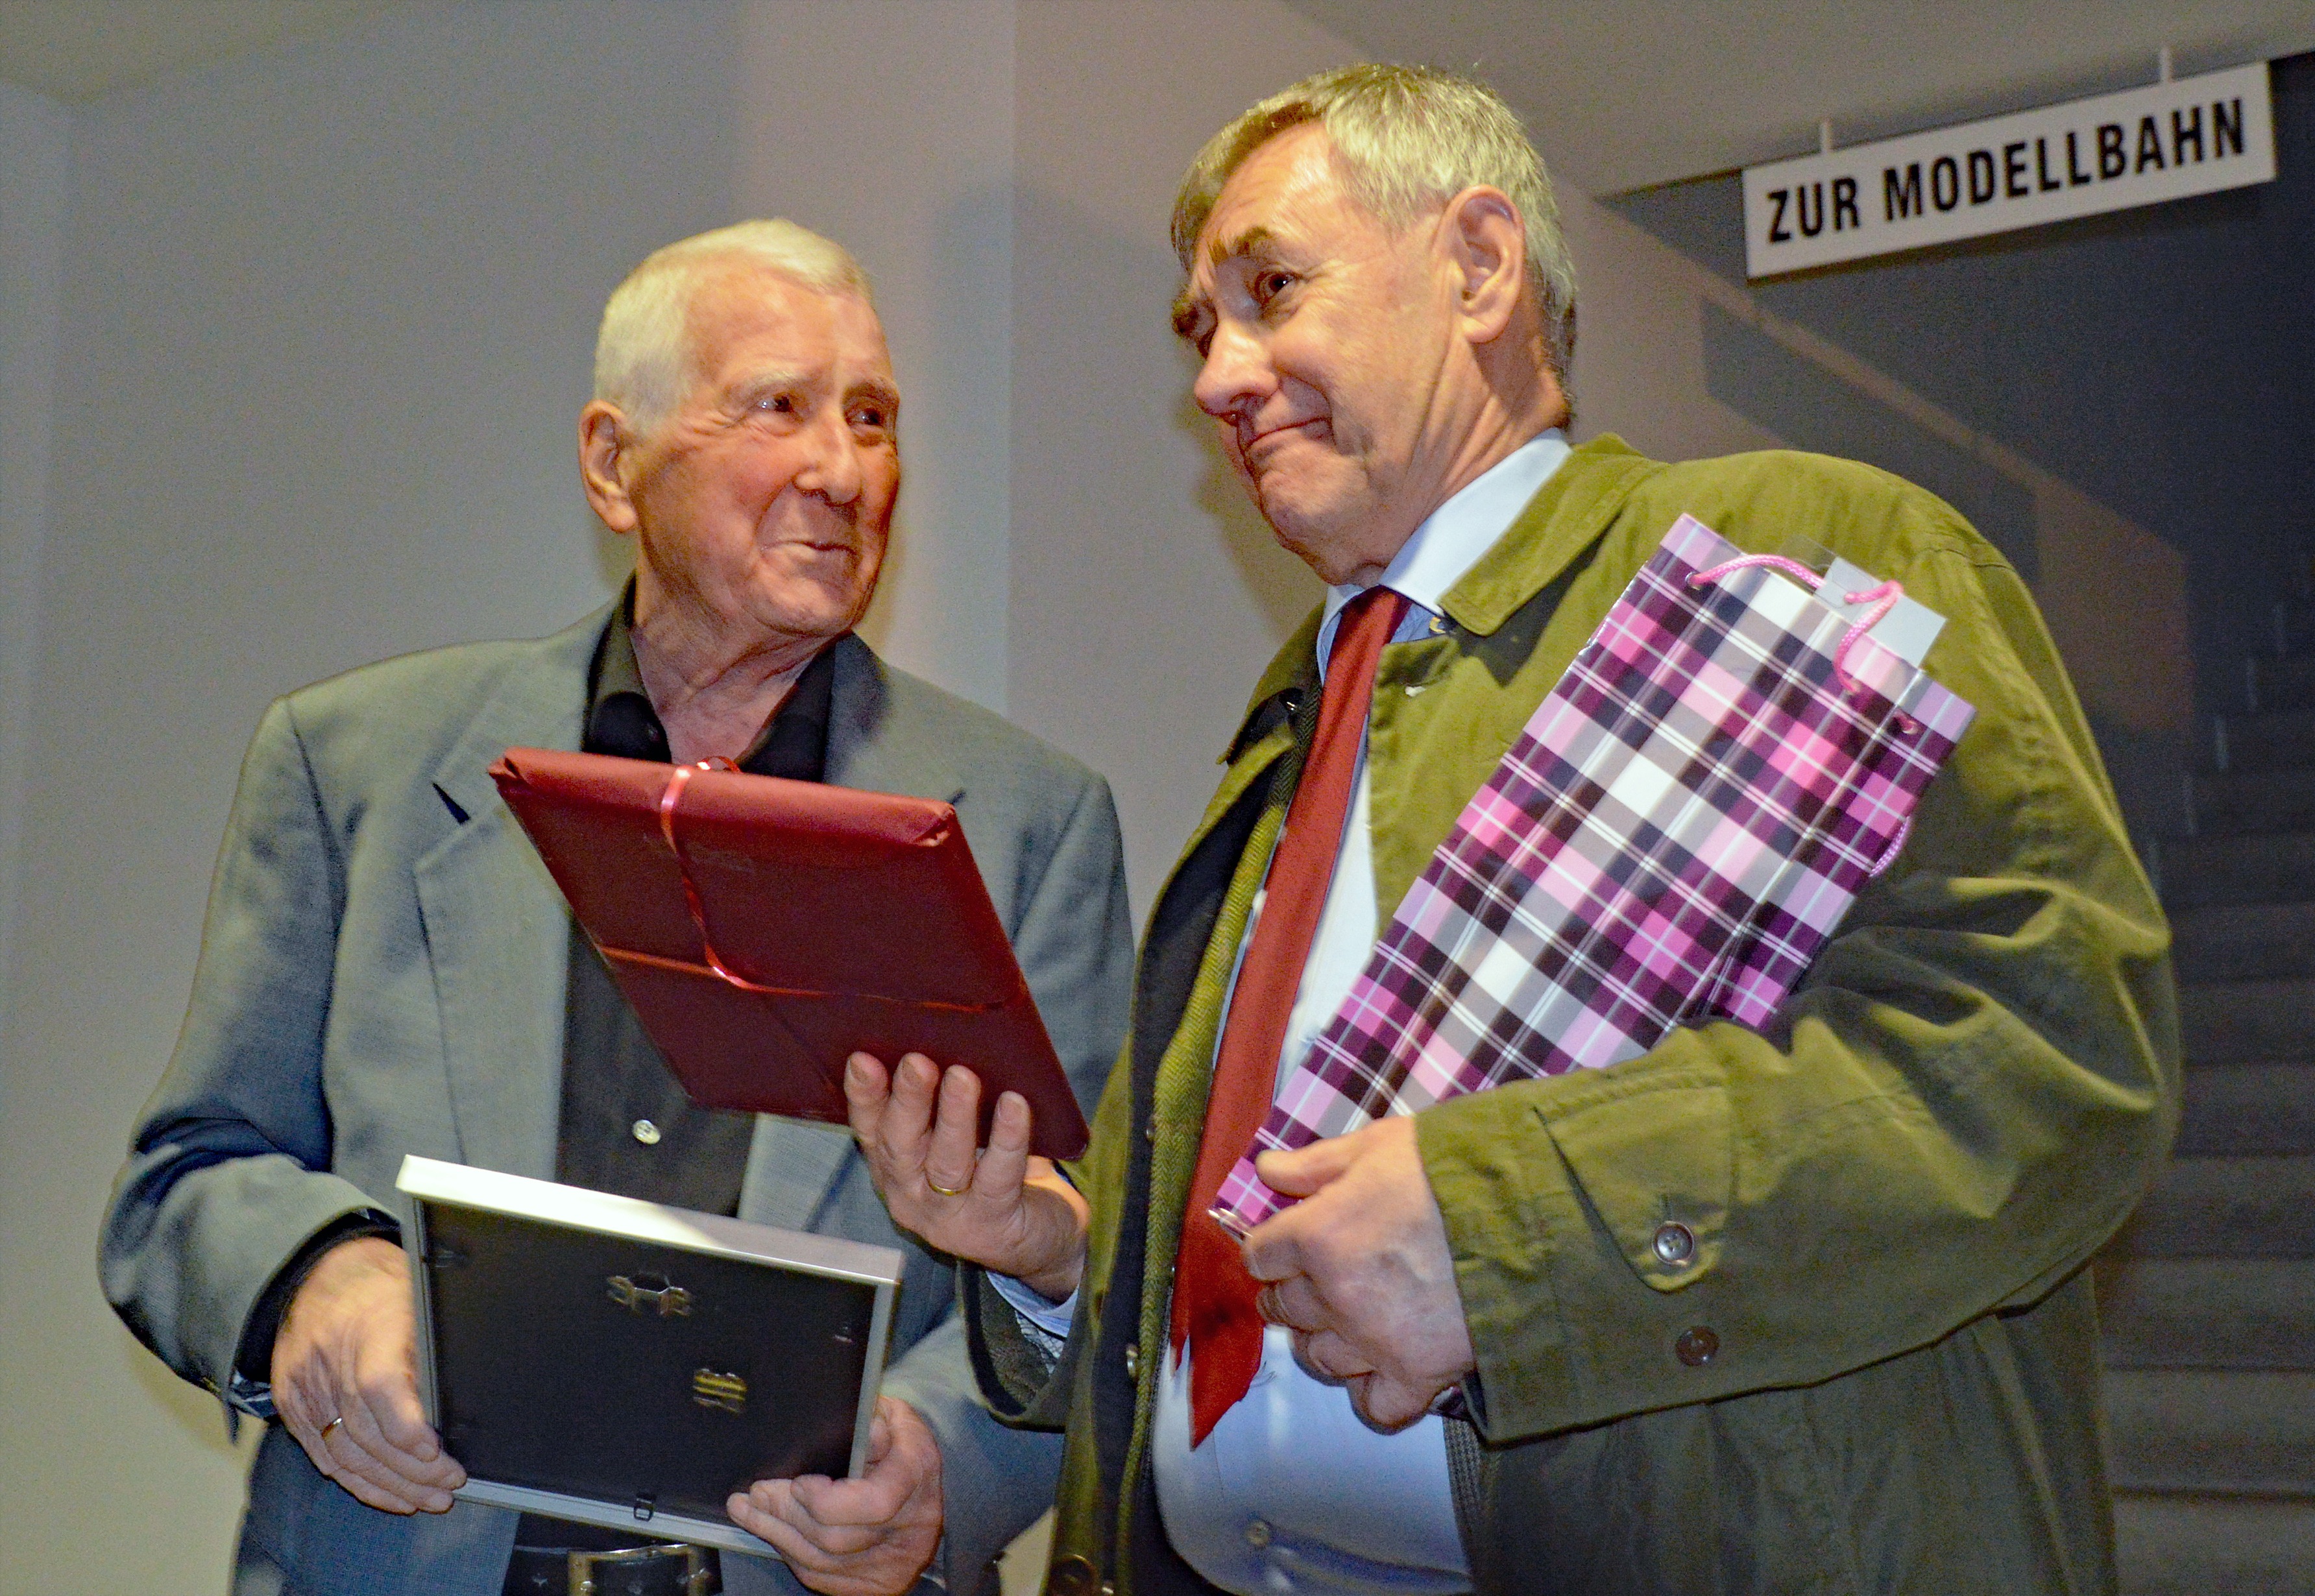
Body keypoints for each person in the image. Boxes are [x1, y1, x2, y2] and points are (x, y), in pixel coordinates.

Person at [843, 66, 2178, 1596]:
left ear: (1478, 267)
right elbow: (1270, 1268)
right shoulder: (1291, 724)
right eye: (1199, 328)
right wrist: (1064, 1261)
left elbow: (2047, 1062)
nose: (1216, 376)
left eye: (1271, 290)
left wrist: (1506, 1231)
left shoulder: (1806, 561)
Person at [99, 220, 1135, 1596]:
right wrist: (313, 1280)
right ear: (611, 463)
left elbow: (1092, 1273)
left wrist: (938, 1468)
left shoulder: (1028, 826)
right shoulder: (354, 766)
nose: (843, 470)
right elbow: (185, 1182)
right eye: (780, 406)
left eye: (873, 418)